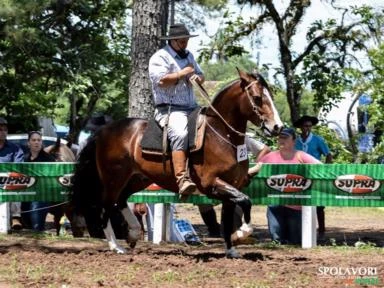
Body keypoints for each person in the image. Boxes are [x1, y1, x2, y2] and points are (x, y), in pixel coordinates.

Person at [148, 23, 205, 197]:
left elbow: (201, 75)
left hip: (192, 106)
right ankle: (182, 179)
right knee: (180, 134)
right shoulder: (160, 57)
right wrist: (183, 73)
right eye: (182, 41)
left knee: (214, 125)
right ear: (172, 40)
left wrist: (197, 77)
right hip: (170, 109)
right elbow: (162, 81)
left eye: (187, 40)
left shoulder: (189, 56)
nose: (185, 44)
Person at [198, 135, 271, 237]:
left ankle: (233, 231)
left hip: (238, 180)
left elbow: (265, 149)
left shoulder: (244, 138)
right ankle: (213, 229)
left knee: (236, 202)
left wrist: (254, 165)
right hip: (217, 179)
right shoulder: (214, 138)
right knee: (202, 202)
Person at [259, 127, 321, 245]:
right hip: (275, 205)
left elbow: (321, 168)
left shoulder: (301, 156)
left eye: (285, 138)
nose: (282, 140)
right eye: (280, 138)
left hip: (296, 206)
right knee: (276, 241)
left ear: (294, 141)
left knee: (295, 241)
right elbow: (256, 169)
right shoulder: (270, 156)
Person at [294, 115, 332, 240]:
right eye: (305, 126)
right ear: (300, 127)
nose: (307, 128)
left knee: (319, 205)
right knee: (299, 203)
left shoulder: (318, 140)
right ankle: (301, 231)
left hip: (316, 175)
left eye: (310, 126)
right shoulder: (295, 141)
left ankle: (321, 231)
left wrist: (326, 170)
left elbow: (328, 154)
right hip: (299, 175)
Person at [23, 131, 56, 232]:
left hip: (42, 196)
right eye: (33, 140)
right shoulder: (24, 159)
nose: (36, 142)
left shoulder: (49, 159)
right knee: (27, 224)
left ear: (41, 142)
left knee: (37, 226)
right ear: (29, 143)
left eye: (39, 140)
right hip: (25, 195)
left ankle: (39, 234)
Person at [0, 117, 24, 230]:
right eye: (0, 129)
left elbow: (18, 168)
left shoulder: (15, 148)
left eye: (5, 130)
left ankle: (16, 217)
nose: (3, 132)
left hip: (9, 181)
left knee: (17, 183)